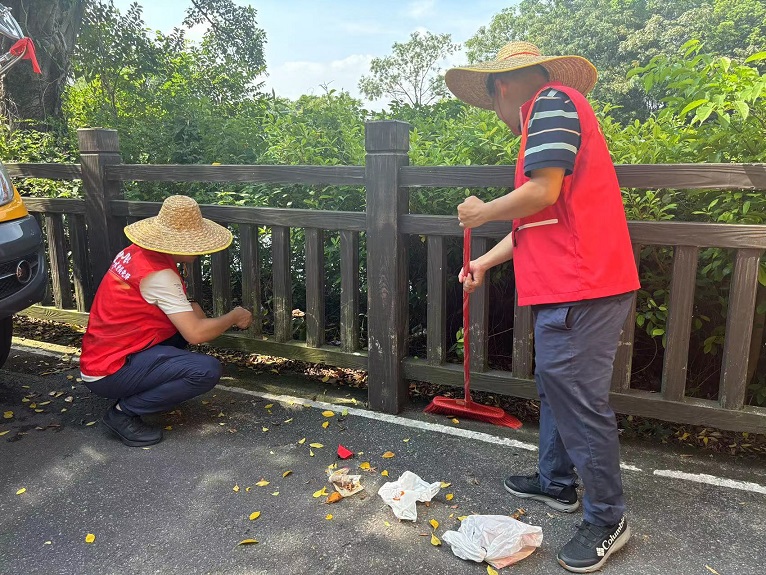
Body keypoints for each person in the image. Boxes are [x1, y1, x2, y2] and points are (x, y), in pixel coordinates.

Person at [445, 42, 640, 573]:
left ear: (501, 87)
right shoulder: (548, 115)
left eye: (493, 107)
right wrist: (484, 260)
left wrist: (480, 210)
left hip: (584, 283)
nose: (499, 119)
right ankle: (557, 483)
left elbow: (542, 193)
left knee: (575, 394)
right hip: (567, 283)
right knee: (557, 384)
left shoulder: (552, 101)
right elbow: (533, 219)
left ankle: (607, 517)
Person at [79, 195, 253, 448]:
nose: (199, 247)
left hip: (103, 354)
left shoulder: (135, 253)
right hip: (109, 369)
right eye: (194, 241)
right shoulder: (159, 274)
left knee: (184, 329)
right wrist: (234, 316)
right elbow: (195, 333)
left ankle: (144, 388)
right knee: (205, 370)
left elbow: (161, 304)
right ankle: (122, 413)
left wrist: (190, 304)